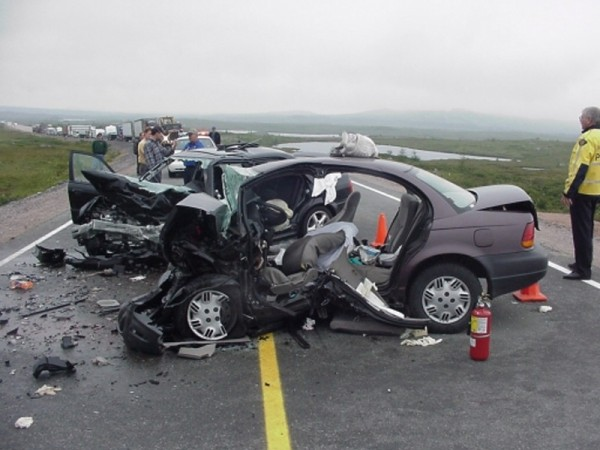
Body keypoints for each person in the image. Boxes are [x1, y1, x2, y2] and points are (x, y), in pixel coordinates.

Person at [561, 106, 600, 280]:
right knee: (588, 229)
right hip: (597, 191)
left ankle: (583, 269)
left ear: (590, 120)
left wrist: (569, 192)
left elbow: (581, 167)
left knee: (581, 231)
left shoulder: (587, 138)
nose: (580, 119)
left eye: (582, 117)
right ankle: (581, 262)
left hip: (584, 192)